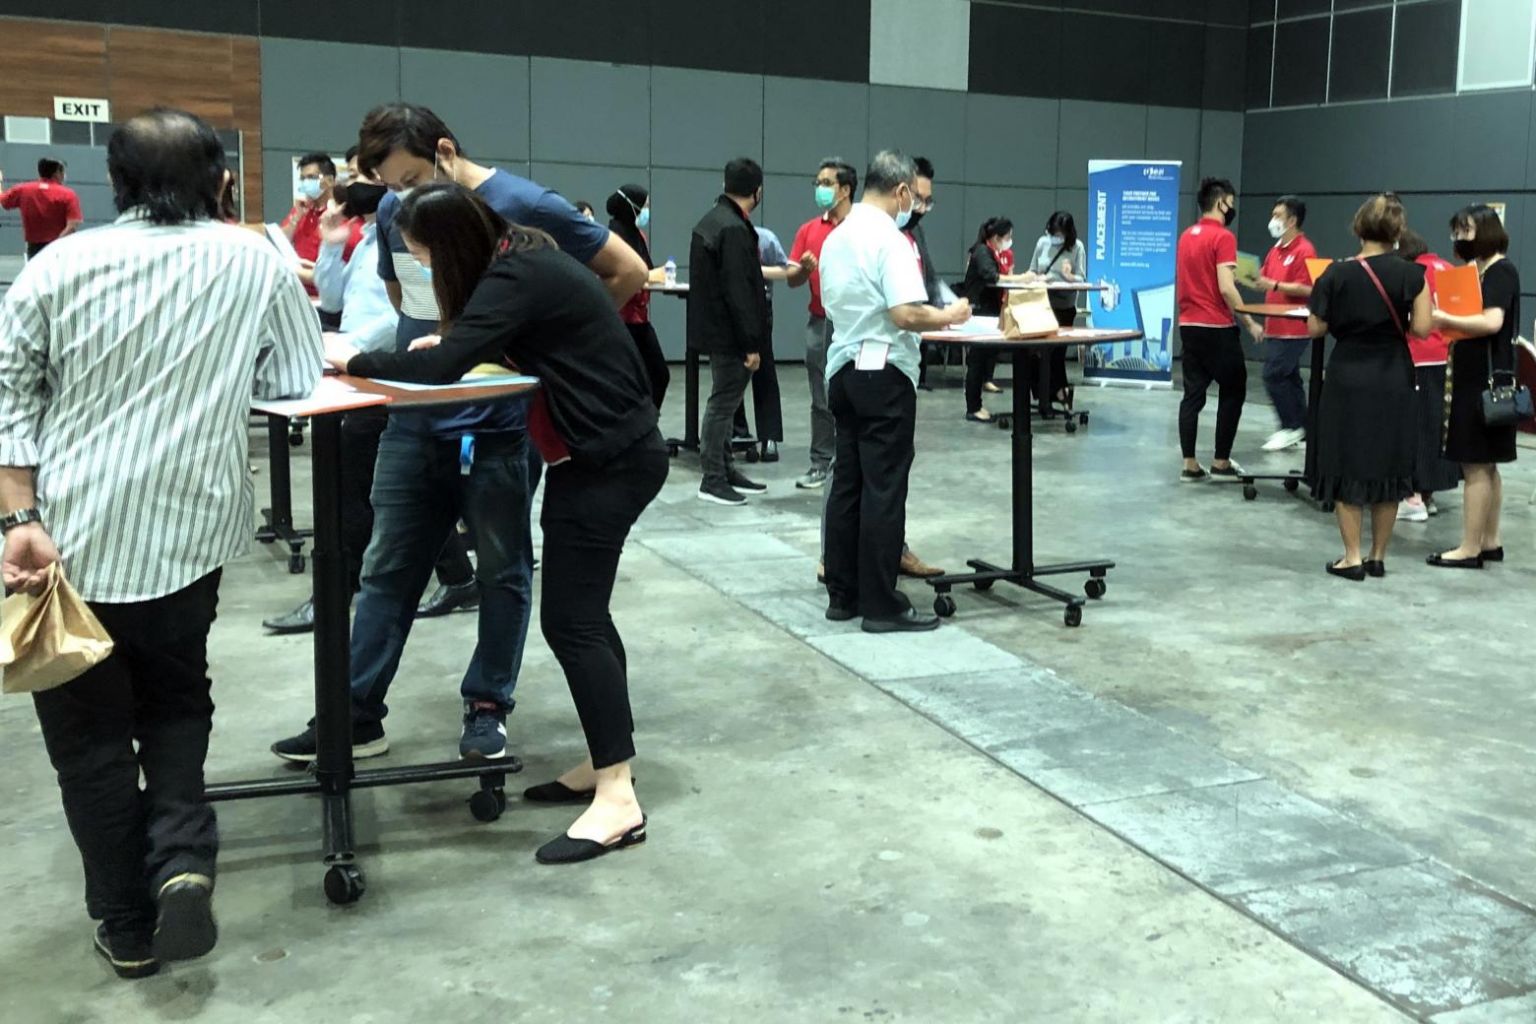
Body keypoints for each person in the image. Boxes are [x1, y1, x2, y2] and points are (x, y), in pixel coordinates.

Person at [0, 108, 323, 978]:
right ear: (220, 180)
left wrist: (17, 519)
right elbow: (296, 378)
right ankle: (181, 854)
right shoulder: (257, 261)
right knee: (178, 696)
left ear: (117, 183)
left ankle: (126, 922)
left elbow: (11, 398)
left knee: (88, 736)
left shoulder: (57, 265)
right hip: (190, 528)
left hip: (69, 538)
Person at [270, 103, 646, 764]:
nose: (401, 197)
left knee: (510, 576)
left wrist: (528, 349)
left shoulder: (527, 215)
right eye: (391, 187)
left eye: (413, 179)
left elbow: (626, 273)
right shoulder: (401, 213)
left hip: (505, 427)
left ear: (444, 153)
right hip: (417, 414)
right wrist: (458, 342)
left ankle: (490, 707)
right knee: (389, 568)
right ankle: (354, 713)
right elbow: (406, 303)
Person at [323, 182, 666, 864]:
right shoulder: (523, 259)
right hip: (605, 456)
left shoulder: (516, 273)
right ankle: (609, 763)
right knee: (586, 618)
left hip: (609, 462)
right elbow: (497, 342)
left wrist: (352, 360)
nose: (423, 270)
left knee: (573, 623)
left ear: (452, 246)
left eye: (424, 257)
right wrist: (453, 344)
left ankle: (619, 800)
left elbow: (445, 366)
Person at [819, 149, 970, 633]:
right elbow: (906, 313)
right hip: (884, 371)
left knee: (848, 483)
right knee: (883, 488)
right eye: (915, 197)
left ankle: (843, 595)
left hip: (843, 368)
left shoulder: (836, 237)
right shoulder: (890, 240)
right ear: (902, 190)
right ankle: (882, 604)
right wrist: (949, 316)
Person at [262, 172, 402, 634]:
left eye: (364, 177)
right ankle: (458, 578)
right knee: (374, 487)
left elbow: (406, 314)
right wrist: (329, 244)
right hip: (354, 370)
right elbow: (333, 296)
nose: (351, 186)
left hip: (379, 374)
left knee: (352, 489)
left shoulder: (401, 240)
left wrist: (349, 349)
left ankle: (334, 593)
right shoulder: (365, 240)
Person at [1306, 193, 1430, 580]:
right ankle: (1378, 556)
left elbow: (1316, 328)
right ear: (1397, 231)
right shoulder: (1414, 275)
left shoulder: (1335, 274)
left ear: (1358, 228)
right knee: (1388, 464)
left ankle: (1352, 556)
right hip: (1394, 375)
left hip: (1348, 376)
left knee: (1346, 462)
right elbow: (1422, 328)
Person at [1426, 204, 1521, 569]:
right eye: (1457, 231)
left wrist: (1443, 317)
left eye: (1465, 231)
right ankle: (1489, 541)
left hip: (1483, 379)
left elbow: (1492, 322)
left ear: (1486, 231)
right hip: (1476, 376)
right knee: (1486, 464)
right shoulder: (1480, 271)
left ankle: (1469, 548)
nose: (1459, 238)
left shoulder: (1499, 271)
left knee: (1476, 465)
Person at [687, 157, 770, 507]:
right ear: (757, 191)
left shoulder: (711, 221)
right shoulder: (734, 228)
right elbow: (739, 291)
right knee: (723, 405)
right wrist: (751, 343)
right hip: (731, 336)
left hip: (715, 331)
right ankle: (713, 478)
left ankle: (725, 468)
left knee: (725, 401)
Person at [1176, 177, 1256, 483]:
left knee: (1192, 395)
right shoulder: (1223, 237)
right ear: (1221, 203)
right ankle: (1221, 461)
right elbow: (1226, 286)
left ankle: (1190, 464)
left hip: (1189, 325)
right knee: (1234, 387)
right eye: (1231, 204)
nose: (1232, 209)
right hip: (1216, 326)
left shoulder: (1187, 236)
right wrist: (1249, 321)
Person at [788, 158, 857, 490]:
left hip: (855, 326)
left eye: (826, 183)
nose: (820, 189)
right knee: (820, 397)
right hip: (819, 322)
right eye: (817, 183)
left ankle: (849, 463)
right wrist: (803, 269)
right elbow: (792, 279)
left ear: (845, 190)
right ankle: (820, 462)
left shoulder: (862, 229)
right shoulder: (809, 230)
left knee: (853, 396)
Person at [1395, 228, 1461, 522]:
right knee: (1436, 428)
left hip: (1419, 355)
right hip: (1448, 357)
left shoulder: (1412, 273)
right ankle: (1428, 494)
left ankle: (1412, 498)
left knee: (1415, 428)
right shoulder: (1447, 268)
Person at [1248, 195, 1317, 452]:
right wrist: (1251, 277)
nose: (1273, 220)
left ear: (1292, 220)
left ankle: (1289, 427)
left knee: (1273, 374)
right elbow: (1264, 278)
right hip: (1274, 325)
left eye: (1278, 215)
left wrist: (1275, 285)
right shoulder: (1275, 250)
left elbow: (1308, 288)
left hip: (1294, 327)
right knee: (1290, 377)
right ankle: (1304, 431)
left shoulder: (1305, 250)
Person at [607, 185, 671, 410]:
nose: (647, 211)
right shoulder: (613, 238)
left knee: (659, 375)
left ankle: (647, 422)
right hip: (621, 318)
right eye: (644, 206)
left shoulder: (639, 236)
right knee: (626, 379)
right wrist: (649, 275)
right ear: (631, 206)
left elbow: (647, 270)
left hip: (640, 318)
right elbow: (627, 274)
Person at [733, 225, 790, 462]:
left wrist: (757, 270)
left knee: (764, 370)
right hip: (732, 306)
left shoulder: (765, 238)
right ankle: (738, 433)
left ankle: (769, 437)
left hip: (760, 307)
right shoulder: (721, 237)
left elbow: (785, 270)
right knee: (733, 371)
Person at [1023, 211, 1089, 411]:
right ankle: (1052, 394)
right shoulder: (1042, 243)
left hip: (1063, 306)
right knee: (1036, 353)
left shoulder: (1077, 247)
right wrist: (1036, 278)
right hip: (1042, 304)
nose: (1055, 237)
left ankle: (1058, 393)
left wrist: (1069, 277)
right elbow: (1033, 269)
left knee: (1056, 354)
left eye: (1059, 233)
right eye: (1052, 232)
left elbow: (1082, 278)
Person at [959, 217, 1013, 423]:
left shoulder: (990, 252)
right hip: (979, 313)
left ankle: (976, 405)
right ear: (996, 237)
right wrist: (1020, 278)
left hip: (987, 311)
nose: (1009, 241)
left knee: (981, 360)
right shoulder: (982, 251)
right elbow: (991, 276)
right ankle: (973, 407)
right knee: (977, 361)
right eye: (1007, 237)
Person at [280, 152, 346, 294]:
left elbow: (336, 272)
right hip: (297, 291)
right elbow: (280, 243)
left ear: (330, 180)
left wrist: (295, 272)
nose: (305, 183)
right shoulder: (300, 210)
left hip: (325, 295)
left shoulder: (339, 215)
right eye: (302, 178)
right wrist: (295, 218)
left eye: (311, 177)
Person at [0, 158, 84, 257]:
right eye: (63, 172)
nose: (64, 175)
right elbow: (72, 225)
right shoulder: (68, 194)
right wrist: (55, 244)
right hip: (59, 249)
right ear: (57, 173)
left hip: (34, 249)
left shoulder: (22, 190)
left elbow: (3, 201)